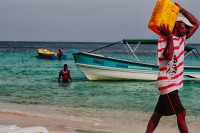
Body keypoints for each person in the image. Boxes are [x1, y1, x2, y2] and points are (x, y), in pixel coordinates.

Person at [146, 3, 199, 133]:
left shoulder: (182, 39)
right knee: (181, 113)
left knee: (157, 114)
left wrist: (181, 10)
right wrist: (169, 37)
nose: (186, 29)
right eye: (184, 26)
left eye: (187, 28)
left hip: (172, 84)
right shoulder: (164, 39)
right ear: (177, 24)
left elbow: (197, 23)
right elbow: (168, 56)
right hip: (168, 84)